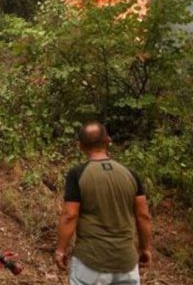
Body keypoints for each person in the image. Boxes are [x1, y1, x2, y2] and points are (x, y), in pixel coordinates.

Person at [56, 122, 153, 285]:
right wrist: (145, 249)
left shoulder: (77, 174)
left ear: (80, 146)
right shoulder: (130, 174)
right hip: (126, 262)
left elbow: (70, 215)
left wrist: (60, 250)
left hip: (90, 262)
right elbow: (143, 216)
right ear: (108, 141)